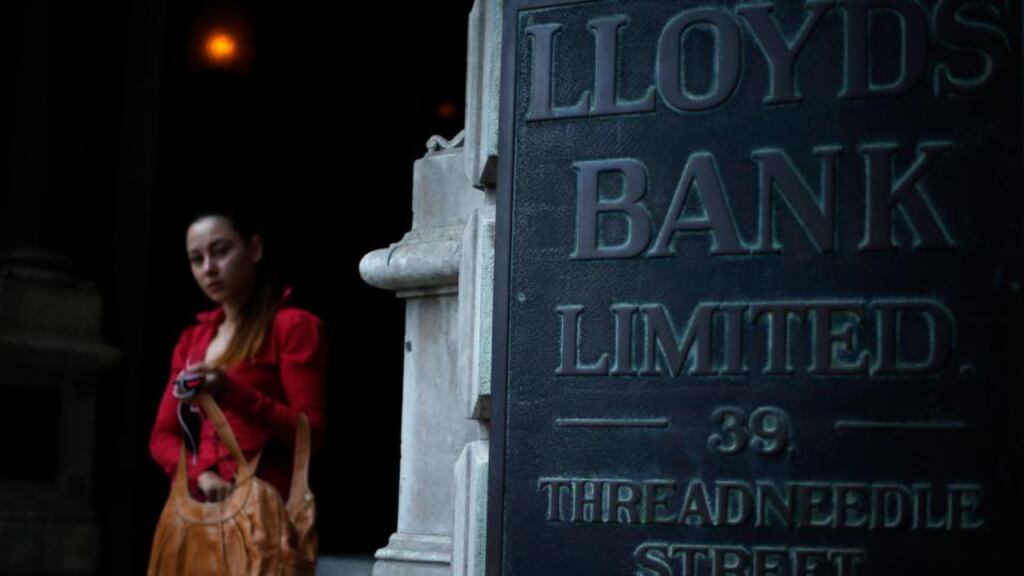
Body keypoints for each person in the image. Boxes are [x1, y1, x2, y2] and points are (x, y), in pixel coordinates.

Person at [149, 208, 326, 503]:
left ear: (254, 249)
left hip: (265, 512)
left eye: (220, 252)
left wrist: (230, 391)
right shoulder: (194, 340)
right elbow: (162, 435)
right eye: (196, 259)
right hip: (202, 510)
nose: (208, 268)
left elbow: (311, 434)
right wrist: (199, 475)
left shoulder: (292, 326)